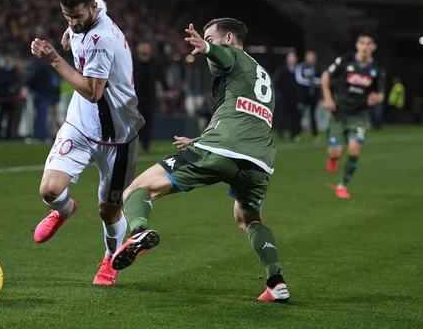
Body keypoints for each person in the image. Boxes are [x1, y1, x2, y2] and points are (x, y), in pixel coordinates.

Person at [110, 18, 290, 303]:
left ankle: (139, 233)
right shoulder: (260, 73)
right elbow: (240, 114)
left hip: (220, 150)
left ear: (229, 37)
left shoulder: (230, 54)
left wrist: (207, 47)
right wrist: (198, 140)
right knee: (249, 219)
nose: (203, 41)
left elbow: (223, 55)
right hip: (258, 161)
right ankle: (276, 281)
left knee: (136, 189)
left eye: (210, 36)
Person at [30, 0, 144, 286]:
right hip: (81, 124)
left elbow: (93, 92)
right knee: (49, 191)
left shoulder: (101, 39)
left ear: (92, 8)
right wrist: (70, 30)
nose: (72, 22)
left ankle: (110, 259)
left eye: (77, 17)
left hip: (117, 135)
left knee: (109, 211)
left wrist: (54, 59)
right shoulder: (93, 11)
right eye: (67, 16)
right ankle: (63, 211)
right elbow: (79, 24)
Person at [321, 32, 385, 199]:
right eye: (362, 42)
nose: (365, 47)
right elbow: (326, 75)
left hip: (359, 114)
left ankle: (342, 185)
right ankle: (333, 158)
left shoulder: (377, 69)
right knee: (335, 152)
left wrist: (376, 97)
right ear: (357, 45)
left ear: (374, 47)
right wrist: (327, 98)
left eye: (368, 43)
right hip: (339, 111)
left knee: (355, 150)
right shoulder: (345, 60)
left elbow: (381, 93)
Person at [133, 42, 167, 154]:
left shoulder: (154, 63)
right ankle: (132, 144)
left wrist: (167, 88)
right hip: (134, 98)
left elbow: (161, 77)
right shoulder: (133, 62)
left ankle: (146, 145)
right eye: (142, 46)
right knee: (134, 123)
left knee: (148, 122)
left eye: (145, 46)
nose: (143, 48)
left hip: (150, 98)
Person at [273, 52, 301, 141]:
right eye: (290, 58)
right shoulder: (282, 70)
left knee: (295, 117)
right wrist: (278, 95)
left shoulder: (298, 71)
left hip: (294, 99)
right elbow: (275, 83)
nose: (292, 60)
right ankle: (280, 133)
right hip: (284, 98)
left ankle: (294, 134)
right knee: (282, 117)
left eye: (294, 58)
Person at [295, 50, 321, 139]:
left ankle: (315, 134)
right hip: (303, 95)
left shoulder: (317, 67)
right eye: (310, 56)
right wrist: (312, 81)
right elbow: (299, 79)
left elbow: (321, 80)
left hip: (314, 95)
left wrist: (312, 81)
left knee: (313, 114)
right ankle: (297, 133)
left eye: (313, 56)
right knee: (300, 114)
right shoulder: (301, 66)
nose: (311, 58)